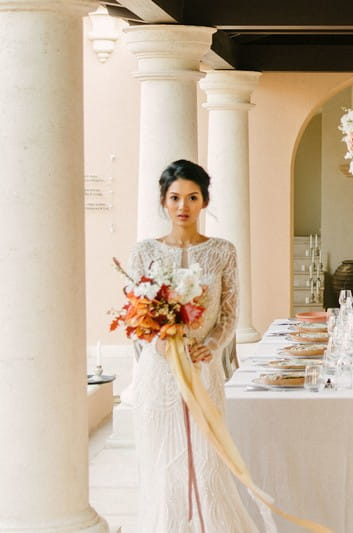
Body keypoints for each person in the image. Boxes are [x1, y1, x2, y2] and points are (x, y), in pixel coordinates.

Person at [128, 160, 274, 532]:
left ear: (204, 201)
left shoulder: (222, 251)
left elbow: (229, 314)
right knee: (165, 469)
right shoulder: (144, 252)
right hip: (159, 375)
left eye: (192, 197)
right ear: (163, 201)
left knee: (207, 466)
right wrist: (161, 346)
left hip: (203, 369)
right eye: (175, 197)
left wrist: (210, 345)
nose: (183, 206)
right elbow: (136, 318)